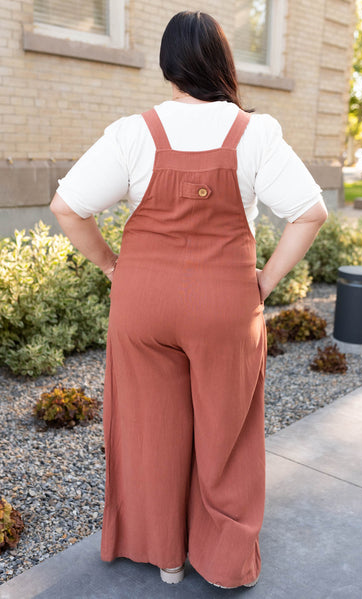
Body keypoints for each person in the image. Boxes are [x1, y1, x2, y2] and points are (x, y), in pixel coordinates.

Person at [50, 10, 328, 590]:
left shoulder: (132, 132)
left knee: (150, 427)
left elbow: (67, 207)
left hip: (143, 300)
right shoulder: (255, 132)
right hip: (225, 301)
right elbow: (309, 212)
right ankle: (223, 559)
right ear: (221, 62)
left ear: (167, 66)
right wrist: (264, 281)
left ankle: (166, 557)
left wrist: (110, 264)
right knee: (226, 428)